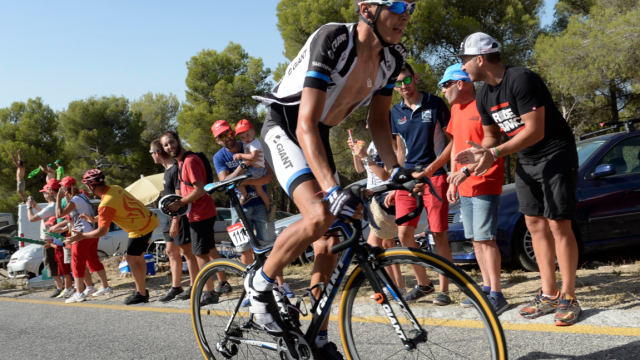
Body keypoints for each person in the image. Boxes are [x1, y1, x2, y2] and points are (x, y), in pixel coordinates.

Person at [247, 1, 416, 356]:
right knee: (320, 214)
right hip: (288, 127)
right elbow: (305, 123)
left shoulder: (394, 58)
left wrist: (397, 170)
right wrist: (333, 189)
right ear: (367, 8)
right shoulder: (334, 39)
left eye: (412, 6)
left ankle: (318, 338)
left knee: (330, 244)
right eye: (398, 4)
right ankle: (258, 284)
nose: (406, 13)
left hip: (318, 134)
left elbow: (379, 123)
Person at [455, 32, 581, 326]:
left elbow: (534, 130)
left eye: (464, 61)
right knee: (534, 224)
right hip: (526, 158)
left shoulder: (521, 79)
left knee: (558, 223)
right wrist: (477, 156)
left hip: (555, 153)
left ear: (480, 59)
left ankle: (569, 295)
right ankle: (549, 293)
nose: (463, 67)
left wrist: (495, 152)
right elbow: (490, 135)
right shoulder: (484, 93)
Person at [439, 64, 508, 314]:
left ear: (460, 83)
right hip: (463, 183)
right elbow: (456, 146)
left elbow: (495, 142)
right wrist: (452, 178)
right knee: (475, 240)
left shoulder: (484, 103)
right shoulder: (455, 109)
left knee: (485, 239)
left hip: (485, 180)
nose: (443, 90)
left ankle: (497, 294)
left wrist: (468, 171)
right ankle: (487, 289)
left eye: (446, 84)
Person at [385, 62, 454, 305]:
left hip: (434, 176)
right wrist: (397, 183)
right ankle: (424, 285)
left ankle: (444, 290)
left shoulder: (435, 104)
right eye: (397, 83)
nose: (403, 86)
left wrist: (436, 168)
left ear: (414, 78)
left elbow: (452, 141)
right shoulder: (395, 111)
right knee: (404, 234)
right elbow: (399, 149)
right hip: (408, 180)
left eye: (406, 80)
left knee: (438, 233)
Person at [211, 120, 294, 307]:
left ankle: (281, 285)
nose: (227, 139)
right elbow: (224, 182)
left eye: (228, 133)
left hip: (260, 205)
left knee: (271, 246)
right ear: (217, 141)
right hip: (238, 208)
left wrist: (242, 181)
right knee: (244, 249)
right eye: (221, 137)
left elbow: (269, 176)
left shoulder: (249, 143)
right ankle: (250, 290)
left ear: (233, 132)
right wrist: (244, 168)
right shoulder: (219, 157)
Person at [69, 170, 159, 304]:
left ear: (90, 186)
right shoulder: (115, 189)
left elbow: (101, 232)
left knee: (131, 259)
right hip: (149, 221)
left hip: (139, 228)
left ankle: (141, 294)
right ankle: (142, 290)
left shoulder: (105, 203)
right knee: (138, 258)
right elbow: (113, 210)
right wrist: (93, 219)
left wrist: (82, 236)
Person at [161, 131, 228, 305]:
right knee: (210, 249)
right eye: (166, 145)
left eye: (171, 142)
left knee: (200, 254)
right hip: (200, 213)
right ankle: (223, 283)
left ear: (178, 140)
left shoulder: (189, 161)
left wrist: (179, 203)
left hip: (200, 214)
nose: (170, 147)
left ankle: (210, 293)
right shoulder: (182, 162)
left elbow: (200, 190)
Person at [348, 135, 406, 297]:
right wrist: (356, 153)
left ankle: (394, 286)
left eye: (369, 121)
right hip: (374, 197)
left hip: (385, 196)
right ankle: (396, 286)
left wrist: (365, 156)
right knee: (386, 244)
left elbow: (385, 176)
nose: (367, 126)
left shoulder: (388, 142)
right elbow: (360, 169)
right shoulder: (374, 143)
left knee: (374, 244)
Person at [150, 139, 198, 302]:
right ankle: (176, 287)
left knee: (187, 253)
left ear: (156, 153)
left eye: (151, 153)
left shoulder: (176, 169)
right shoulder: (167, 171)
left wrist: (175, 221)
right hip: (170, 218)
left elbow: (179, 197)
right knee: (171, 251)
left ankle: (194, 286)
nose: (151, 156)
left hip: (180, 217)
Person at [56, 176, 112, 303]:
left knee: (76, 263)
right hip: (91, 233)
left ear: (66, 188)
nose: (60, 189)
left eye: (62, 187)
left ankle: (79, 293)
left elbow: (59, 214)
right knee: (92, 260)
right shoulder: (82, 197)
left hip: (81, 235)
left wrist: (58, 199)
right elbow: (73, 217)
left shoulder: (75, 200)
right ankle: (105, 286)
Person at [25, 179, 71, 297]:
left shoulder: (53, 206)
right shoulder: (53, 205)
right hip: (52, 238)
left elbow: (31, 219)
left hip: (49, 239)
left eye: (44, 192)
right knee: (59, 264)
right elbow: (45, 218)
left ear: (49, 193)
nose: (43, 195)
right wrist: (36, 207)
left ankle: (60, 287)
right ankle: (64, 286)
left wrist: (29, 207)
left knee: (52, 264)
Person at [231, 119, 272, 210]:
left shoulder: (254, 143)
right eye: (242, 137)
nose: (246, 138)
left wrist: (240, 155)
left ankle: (245, 195)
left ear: (253, 132)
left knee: (236, 180)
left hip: (255, 170)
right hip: (259, 169)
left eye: (247, 135)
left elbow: (253, 157)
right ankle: (269, 207)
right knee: (259, 190)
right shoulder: (252, 142)